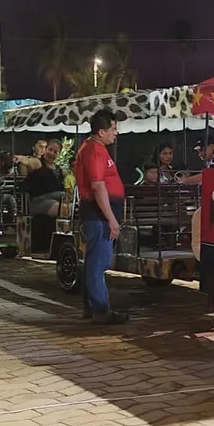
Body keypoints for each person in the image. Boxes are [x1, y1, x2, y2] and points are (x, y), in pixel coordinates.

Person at [73, 109, 128, 325]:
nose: (116, 134)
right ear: (102, 131)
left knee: (93, 263)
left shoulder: (96, 149)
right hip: (98, 215)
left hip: (99, 214)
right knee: (98, 264)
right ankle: (101, 309)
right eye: (113, 129)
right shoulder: (94, 151)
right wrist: (111, 219)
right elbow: (97, 186)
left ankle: (92, 306)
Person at [24, 139, 67, 216]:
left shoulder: (60, 170)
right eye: (50, 150)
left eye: (55, 152)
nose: (51, 153)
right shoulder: (38, 163)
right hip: (38, 201)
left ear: (58, 154)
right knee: (63, 208)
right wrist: (20, 158)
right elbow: (28, 161)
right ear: (45, 149)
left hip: (57, 200)